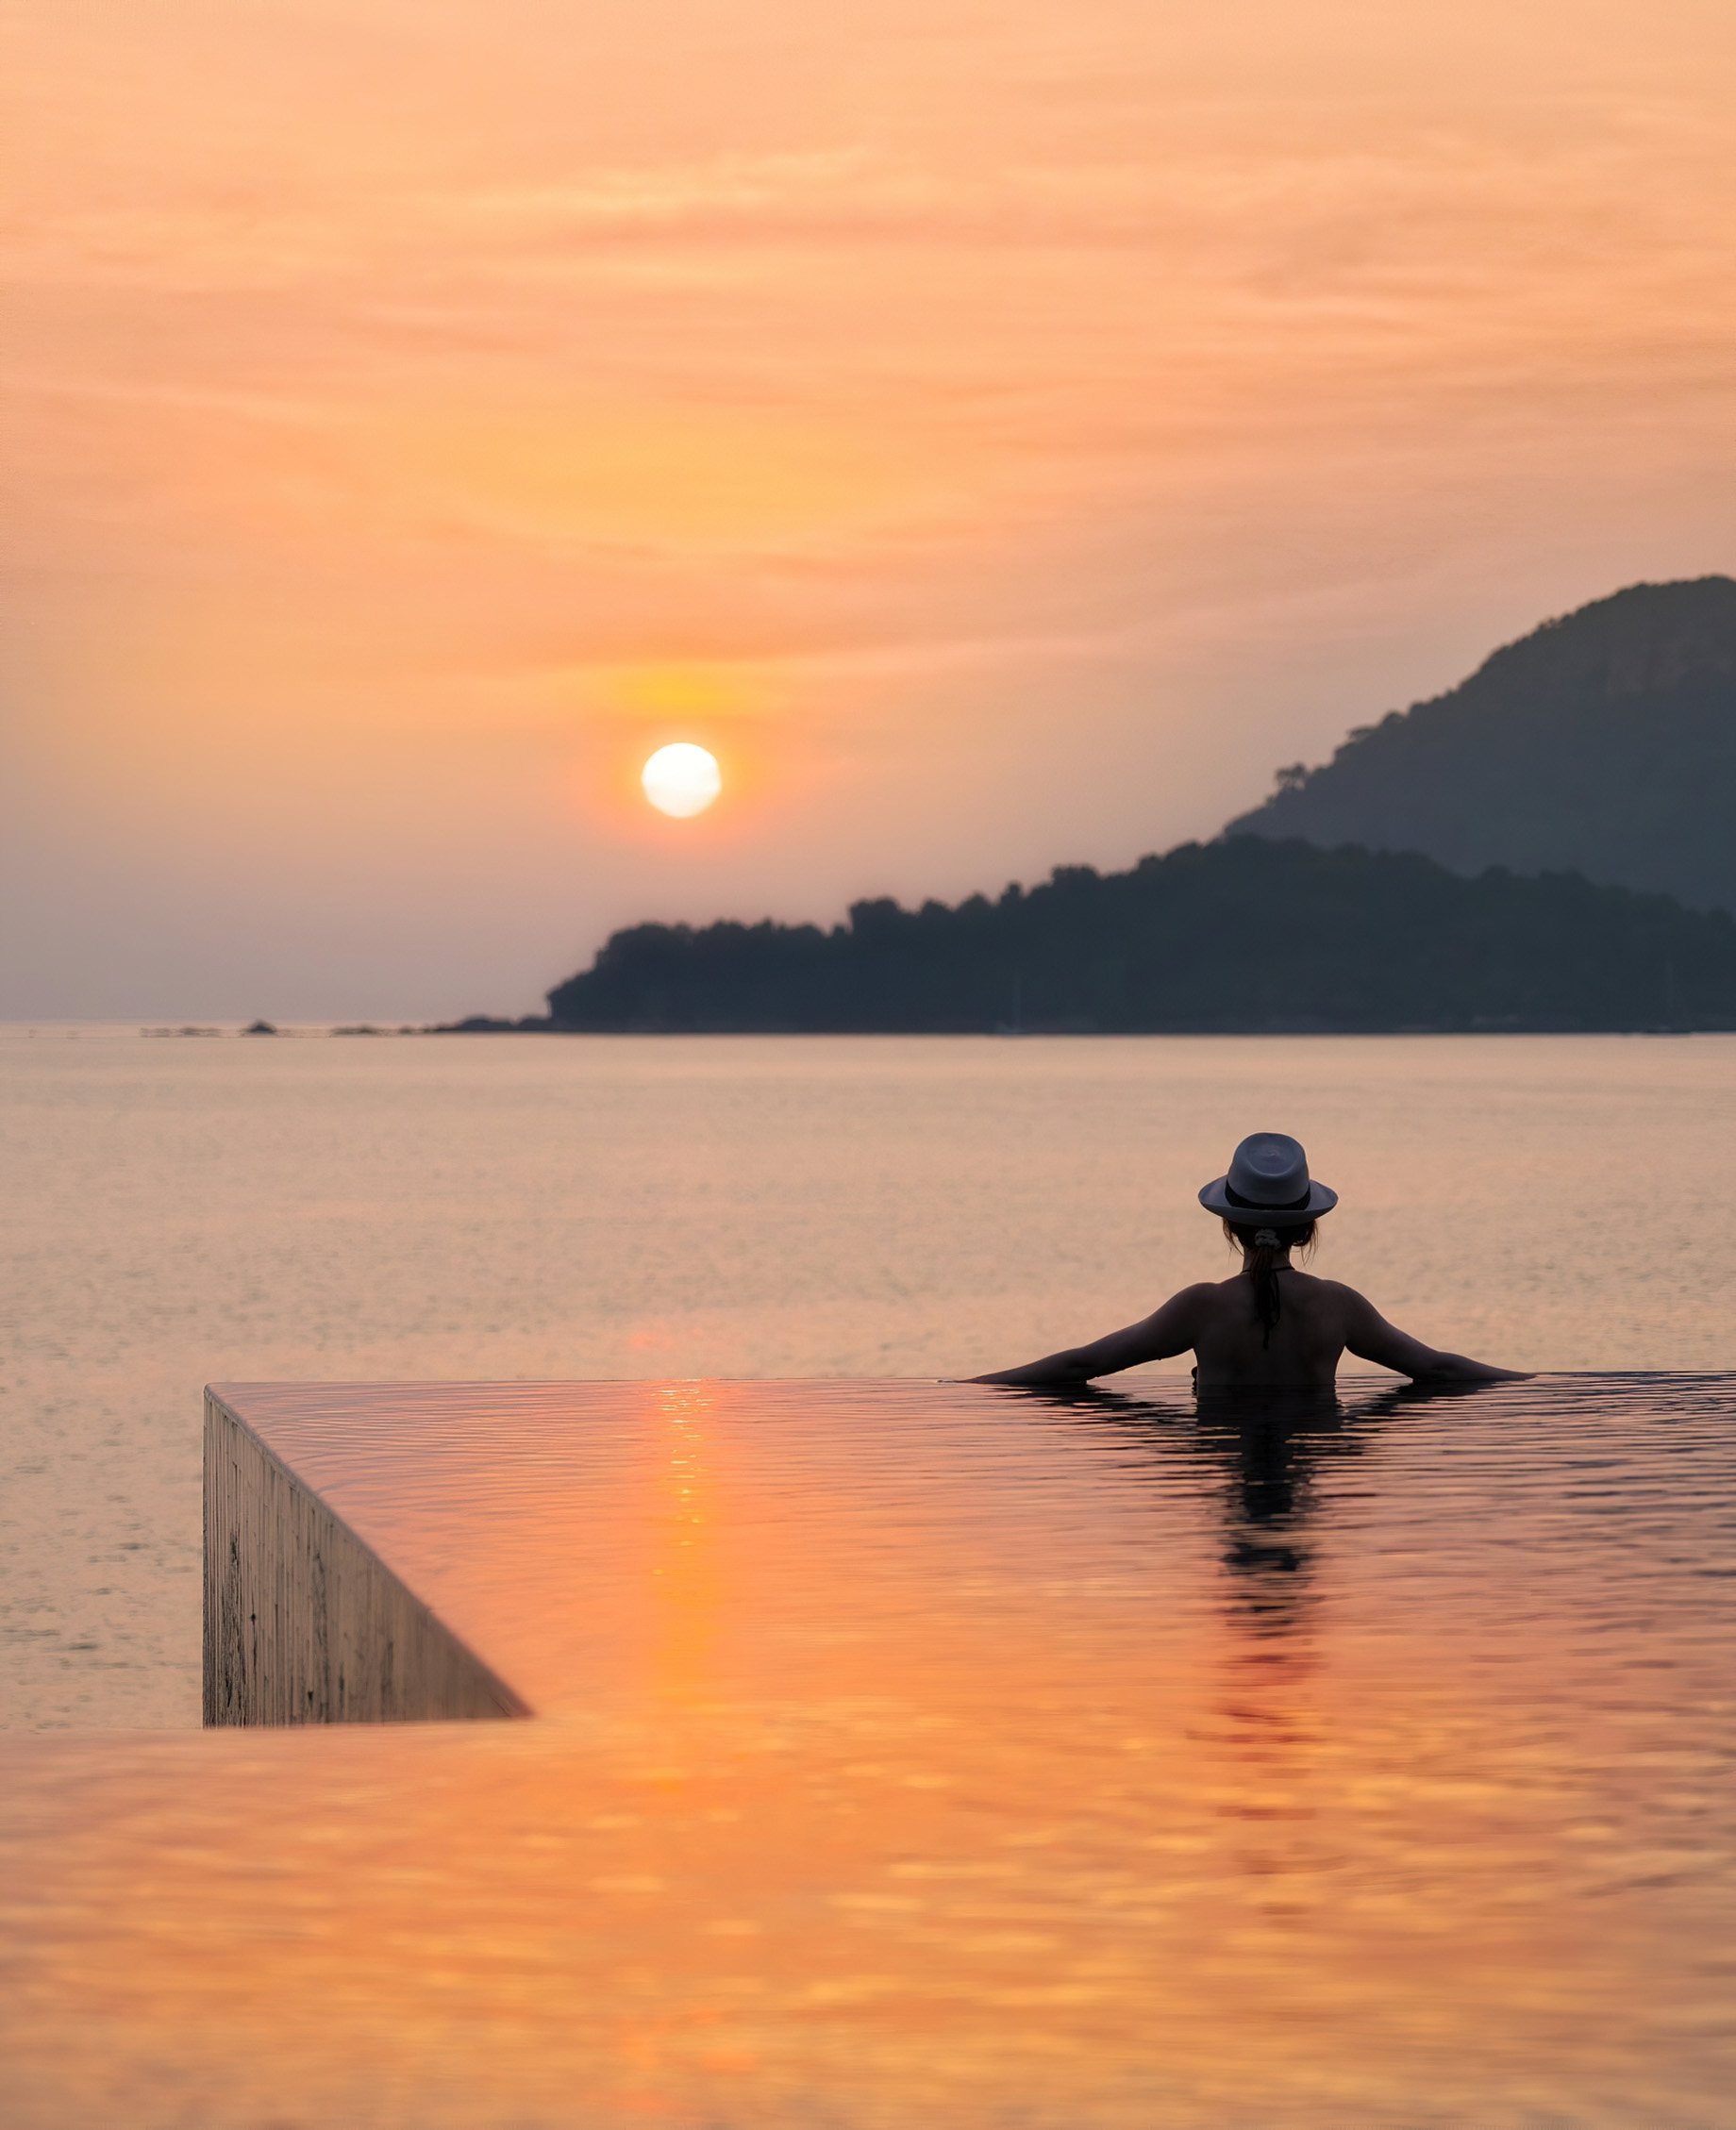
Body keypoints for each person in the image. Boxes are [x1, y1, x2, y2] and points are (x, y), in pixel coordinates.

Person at [974, 1132, 1527, 1390]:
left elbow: (1081, 1366)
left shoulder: (1200, 1307)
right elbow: (1437, 1369)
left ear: (1228, 1226)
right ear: (1307, 1229)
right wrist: (1537, 1383)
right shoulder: (1338, 1306)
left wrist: (971, 1387)